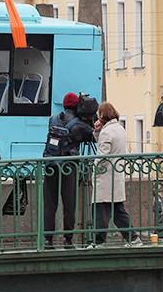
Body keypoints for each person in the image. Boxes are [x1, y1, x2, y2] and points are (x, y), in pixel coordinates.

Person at [42, 92, 95, 248]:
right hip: (68, 167)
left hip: (50, 165)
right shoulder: (80, 124)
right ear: (76, 106)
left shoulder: (52, 119)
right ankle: (68, 239)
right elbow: (93, 137)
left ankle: (48, 239)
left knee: (50, 204)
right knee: (69, 203)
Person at [91, 102, 136, 246]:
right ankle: (133, 238)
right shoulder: (119, 128)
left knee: (100, 211)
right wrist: (97, 132)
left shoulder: (107, 132)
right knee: (118, 211)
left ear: (102, 115)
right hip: (116, 175)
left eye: (99, 114)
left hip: (105, 178)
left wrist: (95, 170)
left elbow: (102, 155)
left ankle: (99, 241)